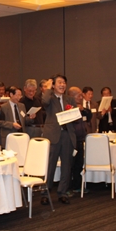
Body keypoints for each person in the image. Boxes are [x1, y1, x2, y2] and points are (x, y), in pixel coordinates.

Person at [42, 74, 76, 205]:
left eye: (64, 83)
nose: (62, 85)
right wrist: (48, 88)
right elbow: (44, 102)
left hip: (67, 135)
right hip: (53, 136)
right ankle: (45, 193)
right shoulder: (49, 98)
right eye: (59, 82)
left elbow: (75, 117)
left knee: (66, 166)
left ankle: (62, 192)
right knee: (50, 166)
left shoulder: (70, 99)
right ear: (53, 85)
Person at [68, 86, 92, 193]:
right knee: (70, 164)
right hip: (71, 140)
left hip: (80, 139)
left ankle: (77, 185)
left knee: (79, 163)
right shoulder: (67, 107)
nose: (81, 97)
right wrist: (74, 110)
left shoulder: (82, 108)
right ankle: (68, 187)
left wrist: (83, 110)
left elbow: (89, 116)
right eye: (79, 95)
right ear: (72, 96)